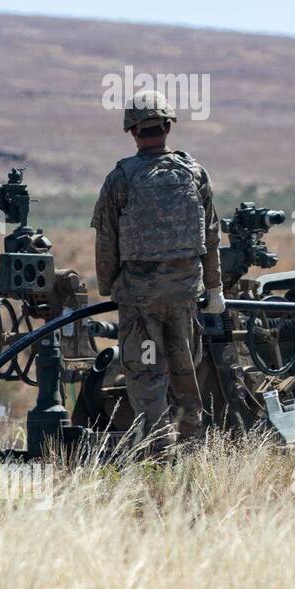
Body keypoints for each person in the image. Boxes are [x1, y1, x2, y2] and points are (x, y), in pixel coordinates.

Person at [90, 90, 223, 451]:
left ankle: (159, 458)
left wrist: (110, 288)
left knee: (148, 377)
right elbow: (212, 237)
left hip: (140, 302)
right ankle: (192, 452)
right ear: (167, 126)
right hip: (184, 298)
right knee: (186, 376)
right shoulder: (194, 173)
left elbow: (107, 242)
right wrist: (214, 291)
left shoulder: (121, 178)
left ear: (132, 131)